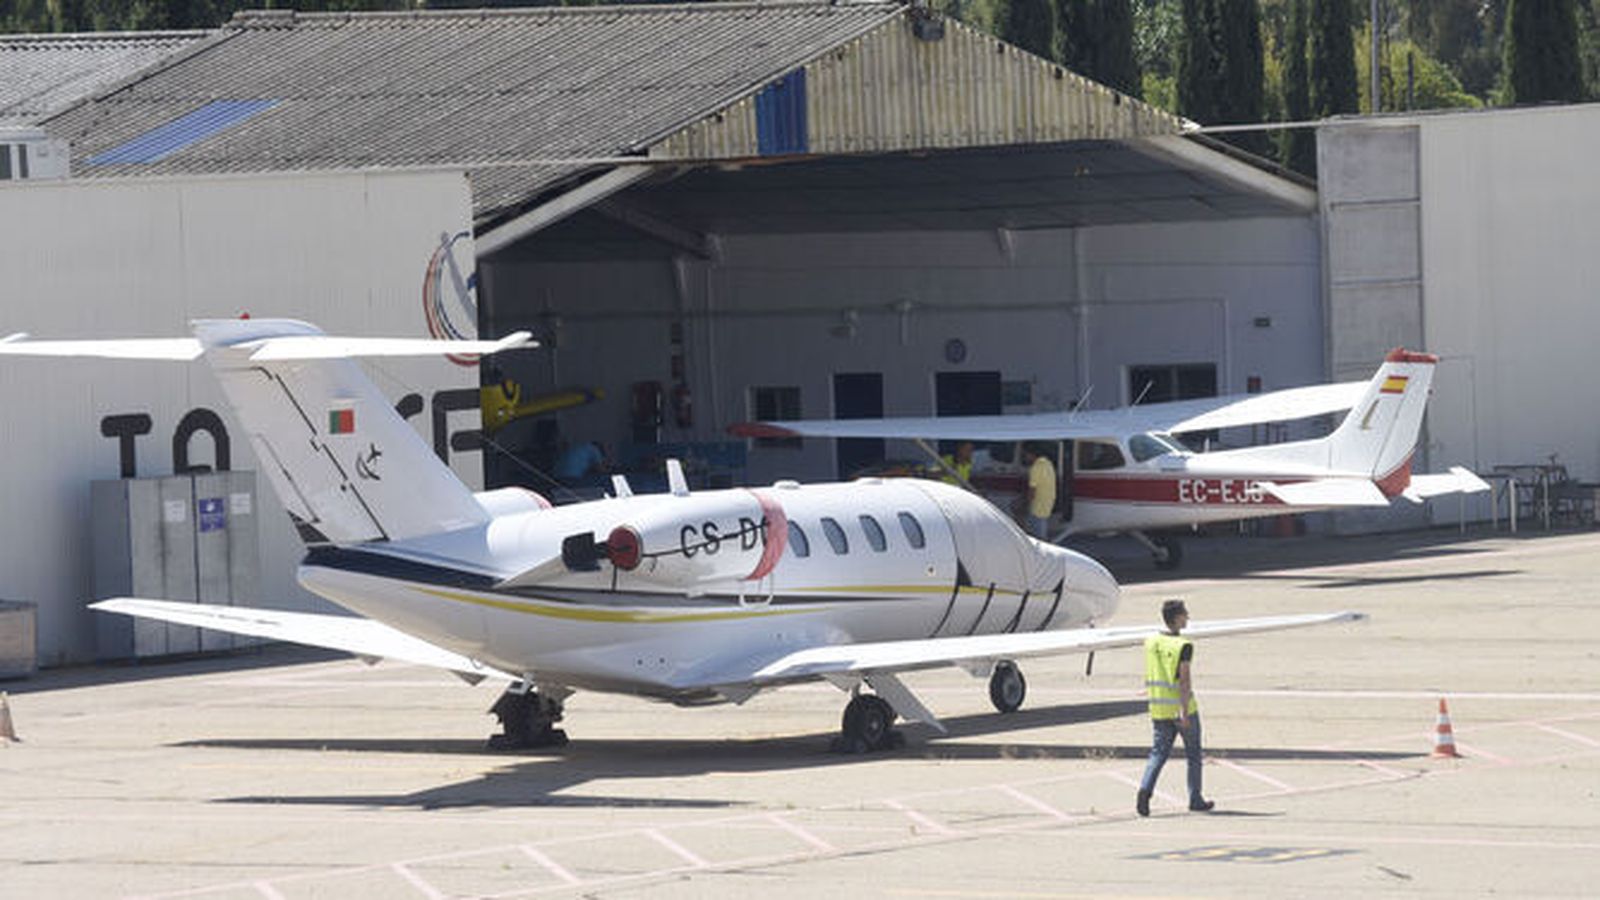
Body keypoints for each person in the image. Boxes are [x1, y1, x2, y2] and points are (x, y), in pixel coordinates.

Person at [1137, 599, 1214, 816]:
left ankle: (1144, 792)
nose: (1187, 617)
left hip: (1158, 708)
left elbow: (1153, 671)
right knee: (1193, 754)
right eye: (1184, 614)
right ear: (1177, 618)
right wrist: (1183, 710)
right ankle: (1195, 798)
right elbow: (1184, 680)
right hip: (1181, 708)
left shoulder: (1151, 641)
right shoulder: (1183, 646)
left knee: (1158, 753)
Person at [1020, 443, 1056, 539]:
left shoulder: (1035, 467)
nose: (1025, 457)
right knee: (1042, 524)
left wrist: (1026, 505)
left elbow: (1032, 490)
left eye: (1025, 454)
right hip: (1048, 501)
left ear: (1031, 454)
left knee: (1037, 532)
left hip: (1038, 503)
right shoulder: (1048, 463)